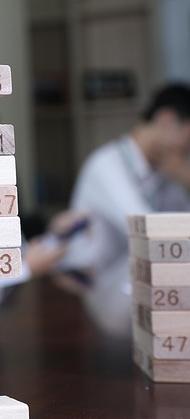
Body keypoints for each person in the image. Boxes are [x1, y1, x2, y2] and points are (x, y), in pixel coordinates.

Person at [57, 82, 190, 329]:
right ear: (167, 120)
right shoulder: (106, 164)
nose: (187, 148)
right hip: (96, 294)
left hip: (131, 286)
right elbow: (151, 232)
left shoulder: (161, 173)